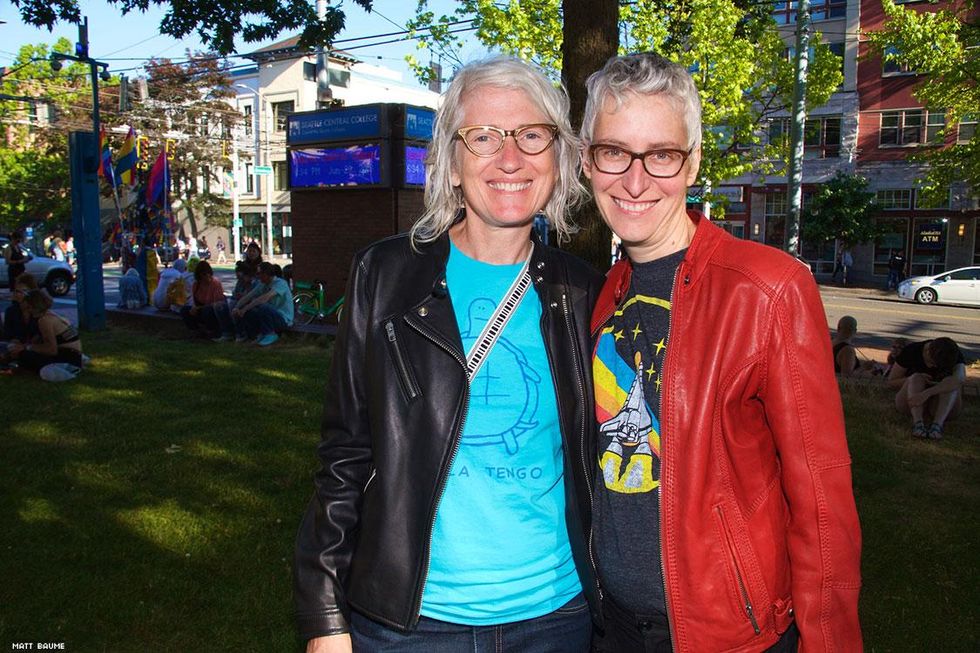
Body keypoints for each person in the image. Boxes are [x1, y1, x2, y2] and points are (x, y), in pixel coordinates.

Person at [293, 56, 603, 653]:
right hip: (411, 623)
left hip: (558, 619)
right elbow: (345, 455)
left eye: (531, 135)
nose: (508, 158)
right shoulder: (383, 276)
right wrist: (325, 616)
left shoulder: (584, 291)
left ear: (558, 158)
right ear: (452, 163)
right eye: (482, 137)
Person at [581, 53, 861, 652]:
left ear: (694, 162)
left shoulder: (767, 288)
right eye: (614, 152)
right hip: (613, 628)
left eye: (661, 155)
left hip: (728, 636)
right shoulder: (607, 291)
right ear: (587, 160)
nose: (635, 181)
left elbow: (822, 499)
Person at [887, 337, 966, 440]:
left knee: (950, 382)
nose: (932, 367)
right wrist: (911, 379)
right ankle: (918, 424)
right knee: (916, 378)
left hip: (938, 404)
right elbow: (891, 382)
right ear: (927, 352)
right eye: (932, 363)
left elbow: (959, 380)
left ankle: (937, 425)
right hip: (911, 402)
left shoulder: (953, 354)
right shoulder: (912, 350)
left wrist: (927, 393)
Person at [4, 289, 83, 373]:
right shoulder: (50, 315)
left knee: (24, 355)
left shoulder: (44, 320)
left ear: (33, 305)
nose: (27, 310)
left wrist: (26, 348)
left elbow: (51, 350)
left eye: (28, 307)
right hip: (74, 357)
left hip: (67, 359)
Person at [231, 260, 292, 346]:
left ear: (266, 274)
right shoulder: (262, 284)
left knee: (263, 306)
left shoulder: (280, 283)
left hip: (283, 319)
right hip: (270, 317)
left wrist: (244, 309)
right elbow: (248, 296)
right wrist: (236, 308)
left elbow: (264, 298)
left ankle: (270, 334)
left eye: (259, 273)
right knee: (250, 311)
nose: (257, 276)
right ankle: (255, 335)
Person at [179, 260, 233, 339]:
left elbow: (217, 303)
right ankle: (195, 330)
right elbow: (194, 300)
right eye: (204, 275)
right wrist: (194, 308)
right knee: (184, 310)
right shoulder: (196, 285)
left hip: (212, 310)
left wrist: (200, 308)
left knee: (207, 310)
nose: (207, 277)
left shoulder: (215, 283)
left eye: (209, 274)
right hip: (200, 308)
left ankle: (212, 331)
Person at [3, 273, 39, 341]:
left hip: (36, 347)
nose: (18, 294)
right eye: (17, 291)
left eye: (24, 291)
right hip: (15, 347)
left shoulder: (39, 310)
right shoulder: (11, 311)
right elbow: (7, 335)